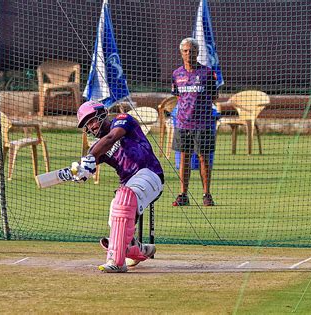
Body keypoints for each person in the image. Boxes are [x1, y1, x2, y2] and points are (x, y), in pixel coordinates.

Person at [74, 100, 164, 273]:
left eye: (92, 120)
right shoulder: (98, 147)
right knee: (118, 212)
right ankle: (138, 249)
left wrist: (90, 156)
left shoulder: (122, 120)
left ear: (102, 114)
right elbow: (89, 165)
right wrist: (80, 171)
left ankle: (116, 260)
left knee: (124, 199)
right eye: (87, 125)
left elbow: (110, 138)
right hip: (128, 186)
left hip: (150, 174)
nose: (91, 127)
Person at [171, 37, 219, 207]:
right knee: (184, 159)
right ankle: (182, 195)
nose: (188, 54)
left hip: (203, 124)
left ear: (197, 52)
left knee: (203, 159)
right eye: (185, 51)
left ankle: (207, 194)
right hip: (182, 124)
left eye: (192, 51)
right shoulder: (176, 74)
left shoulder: (207, 73)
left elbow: (215, 96)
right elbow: (178, 96)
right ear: (181, 52)